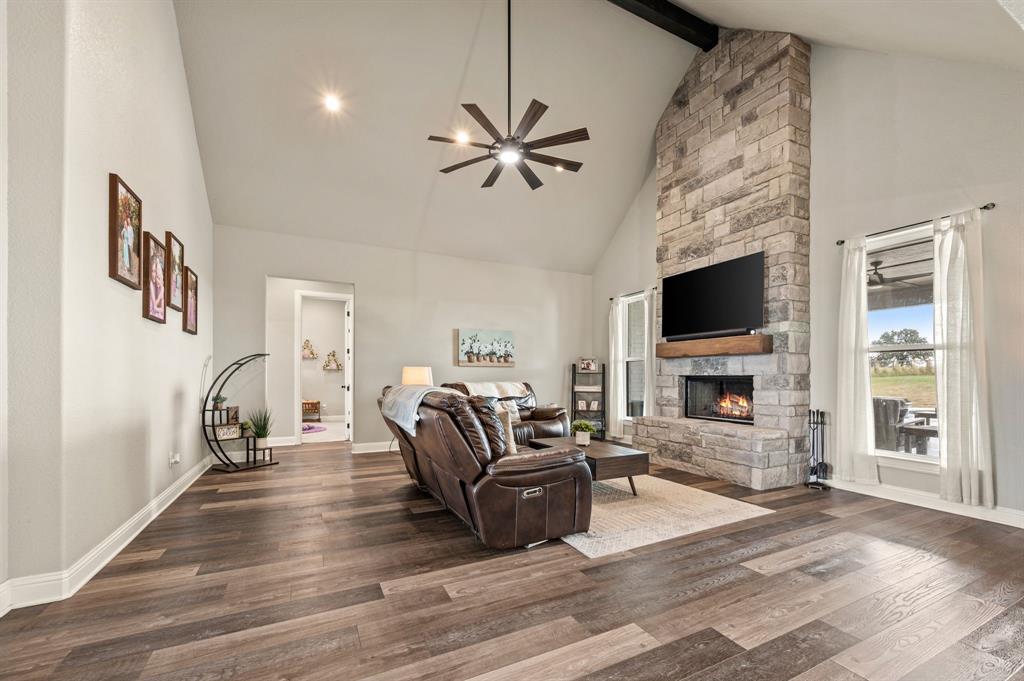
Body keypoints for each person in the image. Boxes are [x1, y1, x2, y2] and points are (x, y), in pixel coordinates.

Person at [150, 254, 164, 319]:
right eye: (152, 271)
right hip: (151, 311)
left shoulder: (158, 287)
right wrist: (160, 294)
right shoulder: (151, 284)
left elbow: (163, 308)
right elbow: (154, 307)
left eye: (155, 272)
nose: (154, 275)